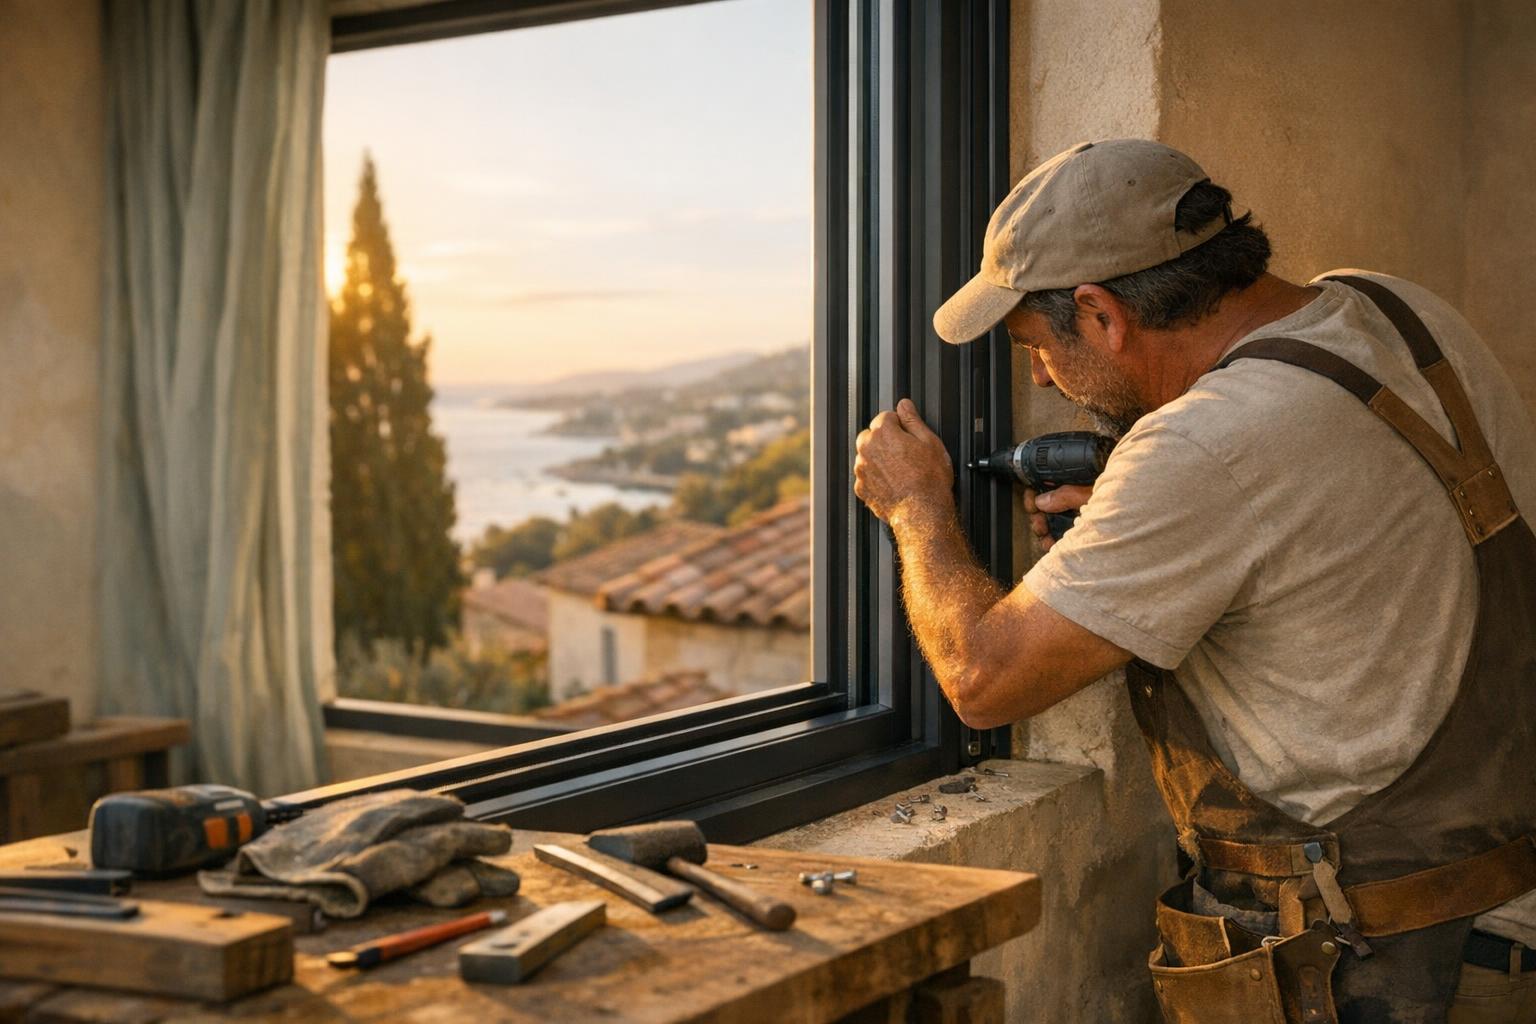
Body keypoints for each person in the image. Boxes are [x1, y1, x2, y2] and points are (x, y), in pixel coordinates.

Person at [852, 138, 1536, 1023]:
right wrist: (1174, 527)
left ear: (1100, 313)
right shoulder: (1394, 308)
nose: (1037, 376)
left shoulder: (1205, 445)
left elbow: (985, 681)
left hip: (1387, 967)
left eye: (1034, 344)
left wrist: (918, 510)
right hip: (1507, 920)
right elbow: (1340, 507)